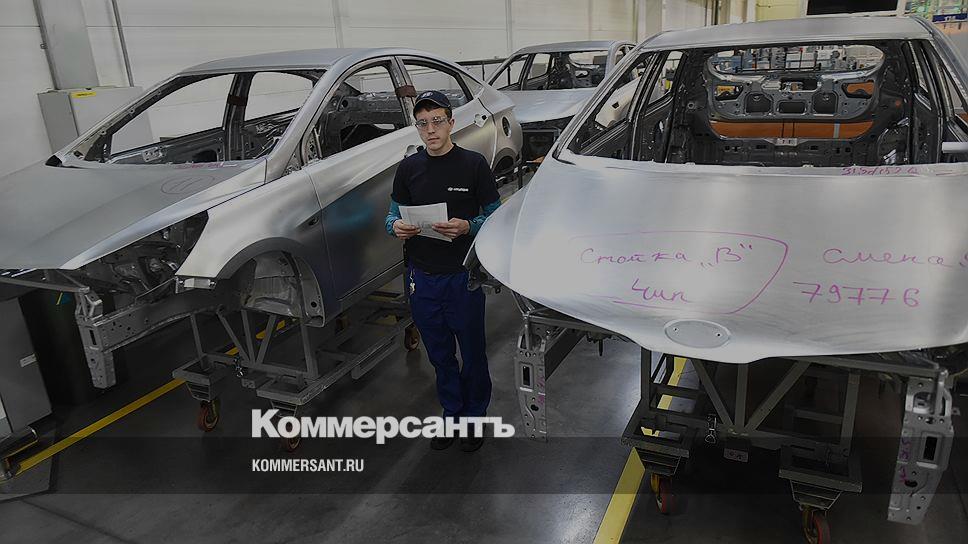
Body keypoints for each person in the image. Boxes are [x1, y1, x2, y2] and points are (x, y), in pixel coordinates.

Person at [385, 90, 501, 452]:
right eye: (423, 123)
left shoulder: (473, 165)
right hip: (422, 279)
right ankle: (452, 414)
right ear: (417, 128)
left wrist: (468, 226)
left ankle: (474, 419)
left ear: (451, 123)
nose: (430, 129)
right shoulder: (409, 168)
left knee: (473, 353)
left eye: (437, 121)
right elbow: (392, 215)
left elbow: (497, 216)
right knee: (439, 355)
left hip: (461, 277)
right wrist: (395, 227)